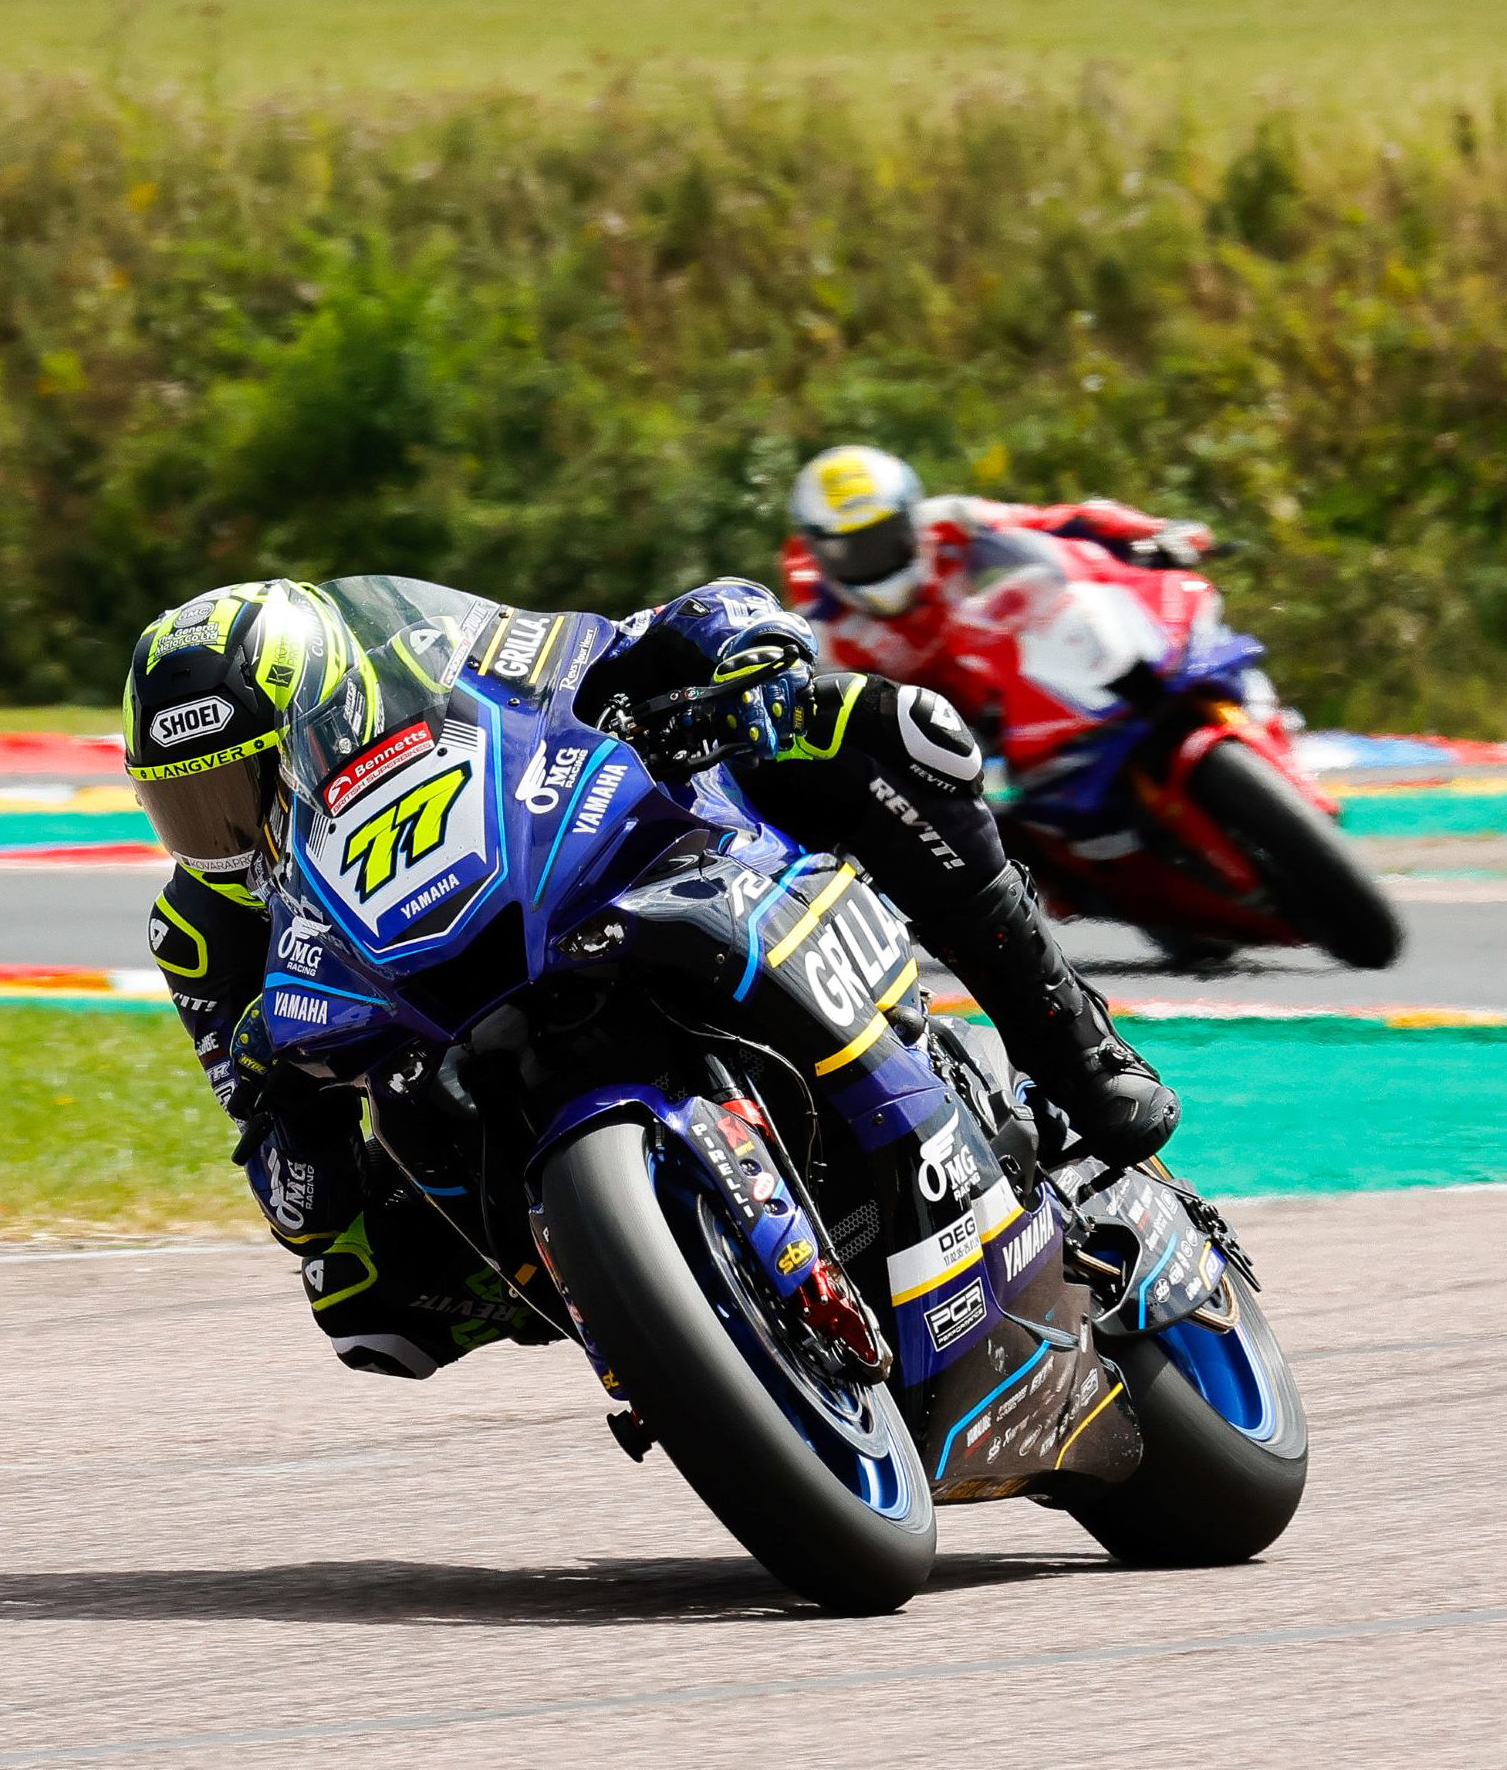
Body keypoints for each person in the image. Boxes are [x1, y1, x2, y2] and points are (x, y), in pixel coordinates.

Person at [124, 575, 1178, 1382]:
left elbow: (628, 634)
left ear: (327, 717)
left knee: (877, 728)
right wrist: (285, 1106)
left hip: (612, 878)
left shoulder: (435, 663)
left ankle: (1075, 1053)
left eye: (238, 787)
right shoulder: (199, 931)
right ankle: (650, 1308)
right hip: (435, 1048)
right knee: (361, 1298)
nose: (218, 834)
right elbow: (280, 1171)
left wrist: (732, 647)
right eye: (185, 806)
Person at [780, 443, 1216, 717]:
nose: (875, 557)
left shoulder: (949, 522)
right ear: (818, 550)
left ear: (911, 517)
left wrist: (1152, 532)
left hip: (1031, 684)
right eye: (851, 549)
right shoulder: (818, 633)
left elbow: (1056, 521)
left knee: (1041, 588)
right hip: (949, 748)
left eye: (886, 536)